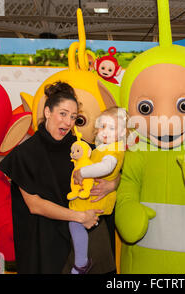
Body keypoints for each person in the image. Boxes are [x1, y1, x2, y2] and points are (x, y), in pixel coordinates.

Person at [0, 82, 117, 274]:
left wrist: (111, 185)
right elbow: (35, 204)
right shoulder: (25, 154)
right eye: (63, 114)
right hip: (45, 244)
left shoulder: (82, 148)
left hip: (83, 242)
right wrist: (80, 217)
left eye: (73, 117)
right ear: (47, 112)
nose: (68, 122)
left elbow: (113, 170)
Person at [68, 107, 127, 274]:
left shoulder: (113, 150)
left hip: (97, 200)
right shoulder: (100, 148)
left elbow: (106, 167)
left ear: (121, 132)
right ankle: (81, 262)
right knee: (75, 223)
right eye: (102, 127)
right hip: (90, 197)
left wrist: (82, 172)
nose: (105, 132)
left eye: (112, 128)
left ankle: (81, 263)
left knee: (75, 222)